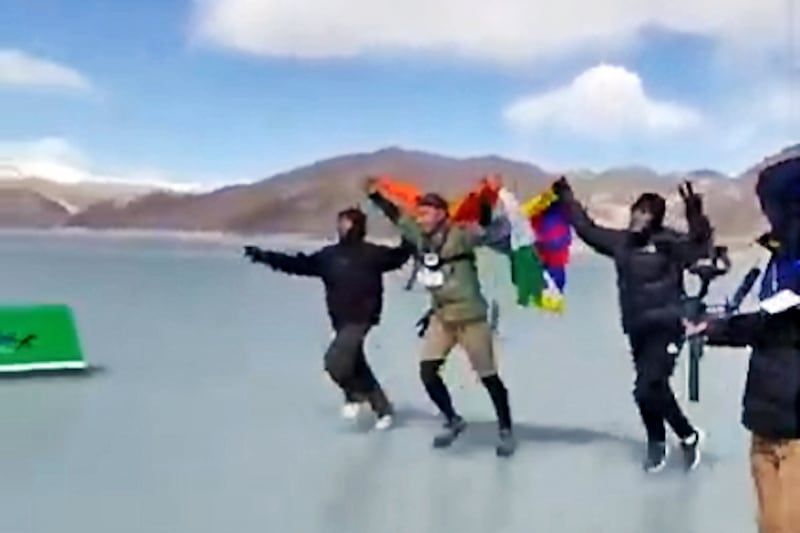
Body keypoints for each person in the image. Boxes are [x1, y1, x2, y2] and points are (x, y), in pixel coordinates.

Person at [552, 176, 711, 473]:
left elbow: (700, 249)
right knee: (652, 389)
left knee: (647, 388)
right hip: (637, 327)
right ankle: (662, 441)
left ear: (655, 219)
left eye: (646, 213)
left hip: (667, 325)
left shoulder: (669, 243)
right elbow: (587, 229)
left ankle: (685, 436)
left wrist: (695, 214)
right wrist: (566, 198)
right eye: (637, 210)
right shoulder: (621, 243)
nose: (638, 217)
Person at [686, 156, 800, 533]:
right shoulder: (775, 263)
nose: (772, 215)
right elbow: (759, 323)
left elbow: (773, 324)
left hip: (795, 431)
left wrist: (718, 329)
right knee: (768, 524)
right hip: (764, 418)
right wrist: (710, 326)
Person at [365, 177, 516, 457]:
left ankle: (505, 428)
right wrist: (376, 196)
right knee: (427, 371)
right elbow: (397, 216)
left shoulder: (460, 235)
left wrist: (487, 197)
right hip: (442, 318)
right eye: (419, 213)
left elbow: (484, 227)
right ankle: (453, 419)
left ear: (442, 214)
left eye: (426, 213)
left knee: (488, 377)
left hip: (471, 318)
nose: (420, 218)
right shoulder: (418, 235)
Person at [244, 207, 414, 430]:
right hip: (339, 318)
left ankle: (355, 395)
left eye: (345, 223)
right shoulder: (329, 256)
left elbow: (400, 255)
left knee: (335, 363)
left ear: (357, 226)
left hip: (362, 318)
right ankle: (383, 409)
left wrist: (410, 233)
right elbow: (299, 264)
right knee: (357, 365)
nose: (340, 227)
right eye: (339, 222)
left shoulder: (373, 254)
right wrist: (265, 257)